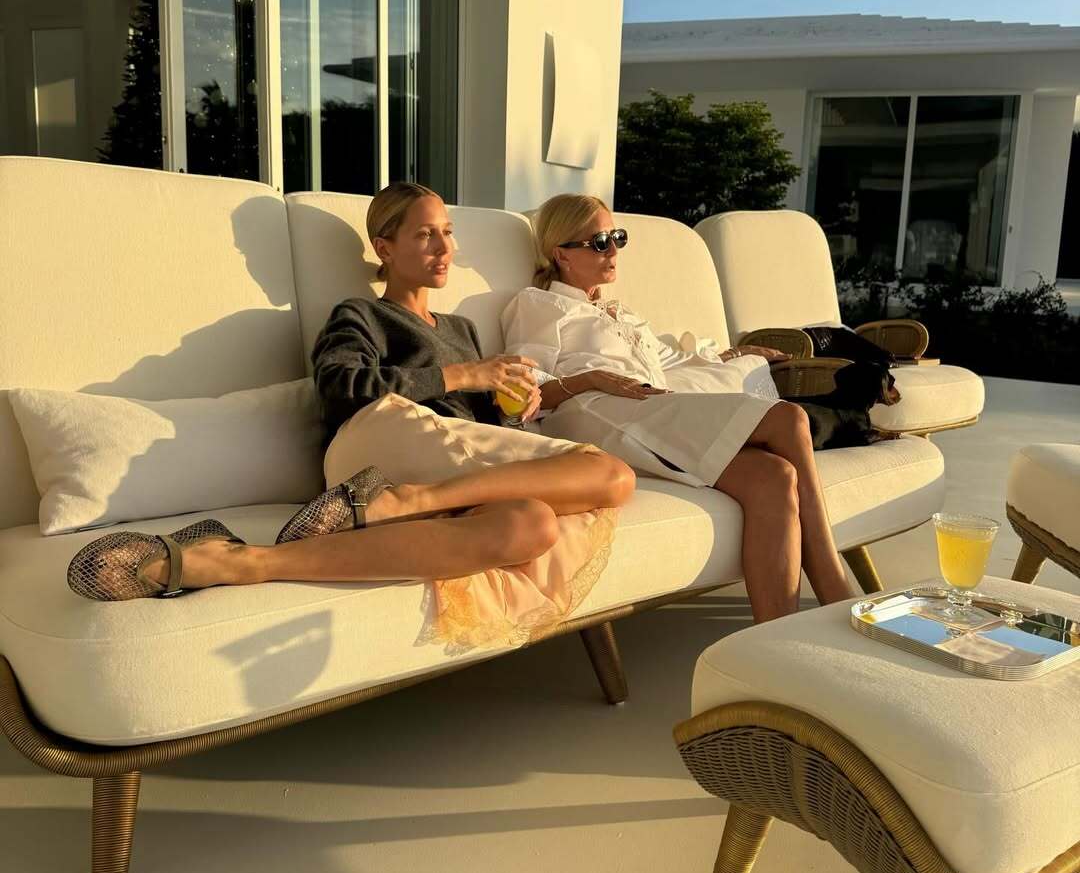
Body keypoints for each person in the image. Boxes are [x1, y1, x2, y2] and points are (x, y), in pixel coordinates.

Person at [68, 183, 633, 654]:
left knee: (529, 525)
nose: (444, 247)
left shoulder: (461, 329)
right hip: (379, 443)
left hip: (440, 463)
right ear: (384, 247)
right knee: (612, 475)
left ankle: (243, 560)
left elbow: (483, 428)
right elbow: (341, 387)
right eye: (425, 234)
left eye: (448, 232)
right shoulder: (361, 314)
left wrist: (515, 406)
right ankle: (401, 499)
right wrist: (463, 376)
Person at [501, 194, 854, 624]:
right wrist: (591, 379)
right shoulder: (538, 305)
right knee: (789, 418)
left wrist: (733, 354)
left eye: (617, 238)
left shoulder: (619, 313)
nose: (613, 251)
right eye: (599, 243)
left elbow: (668, 361)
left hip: (649, 407)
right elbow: (524, 389)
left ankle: (777, 639)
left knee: (774, 477)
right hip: (595, 413)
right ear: (561, 254)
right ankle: (835, 586)